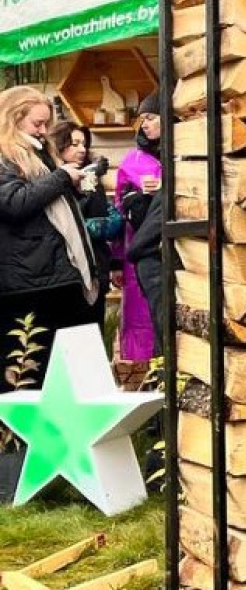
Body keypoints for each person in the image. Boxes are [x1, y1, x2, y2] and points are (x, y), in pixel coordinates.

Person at [0, 87, 100, 380]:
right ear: (13, 118)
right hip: (28, 282)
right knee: (29, 372)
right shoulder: (5, 155)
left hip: (50, 275)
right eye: (37, 124)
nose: (44, 131)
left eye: (46, 124)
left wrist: (70, 187)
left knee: (57, 374)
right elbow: (13, 203)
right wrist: (61, 178)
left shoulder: (35, 151)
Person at [49, 121, 122, 321]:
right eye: (74, 144)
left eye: (84, 144)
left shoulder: (91, 177)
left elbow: (107, 218)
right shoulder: (50, 180)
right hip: (67, 273)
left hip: (97, 267)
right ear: (58, 145)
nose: (82, 149)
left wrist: (115, 263)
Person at [115, 94, 162, 363]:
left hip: (178, 251)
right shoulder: (133, 160)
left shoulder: (183, 153)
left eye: (151, 118)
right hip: (141, 249)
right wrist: (139, 197)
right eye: (142, 119)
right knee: (144, 316)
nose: (144, 124)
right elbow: (122, 208)